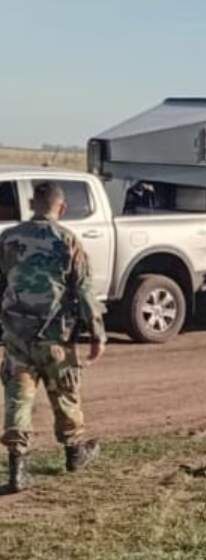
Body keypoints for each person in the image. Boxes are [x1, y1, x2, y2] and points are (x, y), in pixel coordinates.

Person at [0, 181, 107, 493]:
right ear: (61, 208)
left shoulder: (9, 238)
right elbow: (84, 290)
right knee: (64, 394)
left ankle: (17, 469)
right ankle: (75, 452)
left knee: (18, 398)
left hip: (17, 335)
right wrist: (97, 333)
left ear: (33, 204)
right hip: (55, 337)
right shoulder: (67, 241)